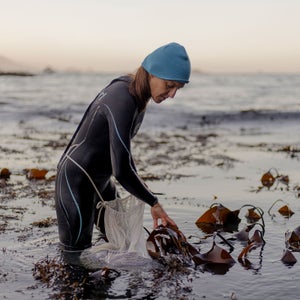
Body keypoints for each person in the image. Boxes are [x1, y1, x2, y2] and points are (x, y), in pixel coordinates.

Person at [55, 42, 191, 251]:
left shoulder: (137, 96)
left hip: (100, 183)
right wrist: (154, 203)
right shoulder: (123, 97)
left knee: (121, 244)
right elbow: (121, 171)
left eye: (178, 89)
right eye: (170, 85)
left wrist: (147, 195)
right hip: (76, 183)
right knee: (74, 258)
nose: (172, 94)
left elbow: (123, 156)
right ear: (152, 73)